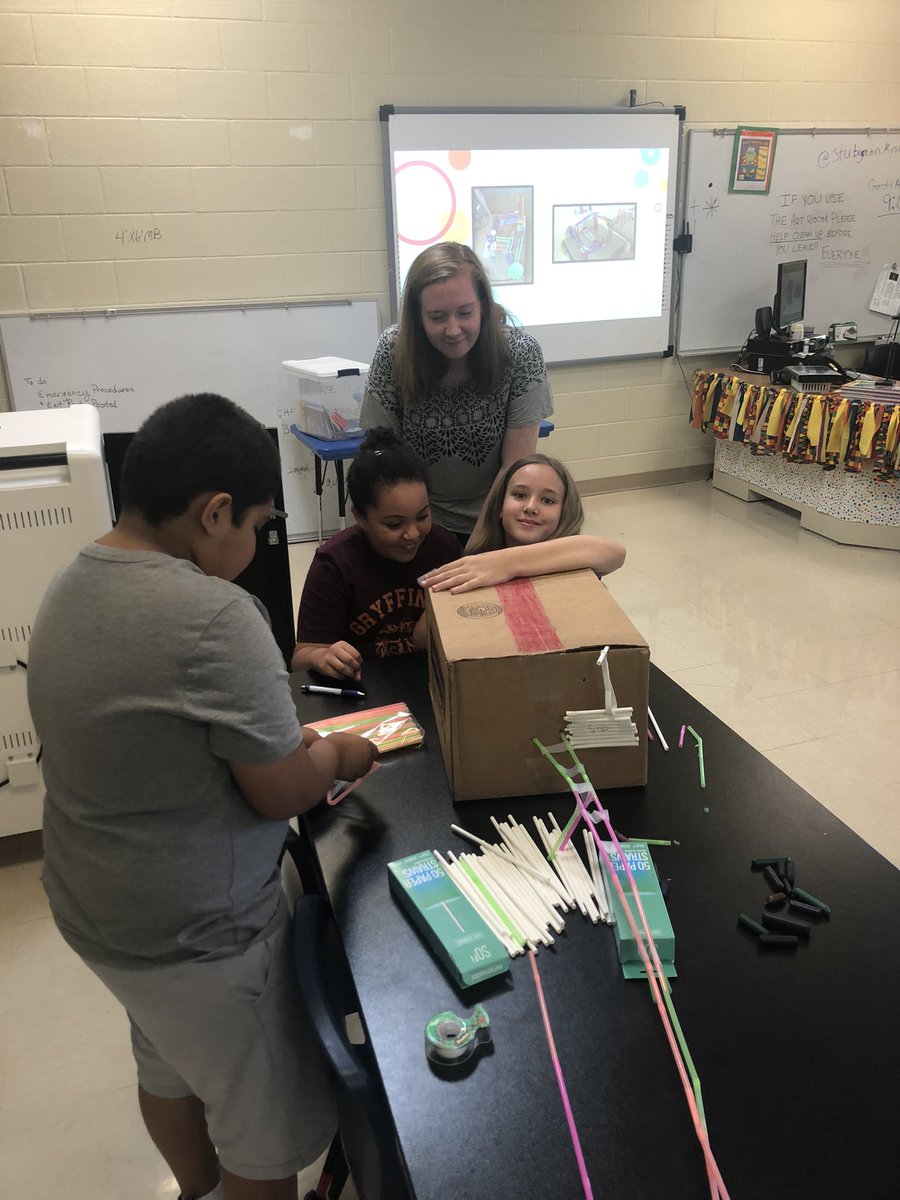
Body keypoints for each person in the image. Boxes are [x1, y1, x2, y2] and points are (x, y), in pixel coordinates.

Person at [27, 394, 377, 1200]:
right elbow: (280, 789)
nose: (256, 544)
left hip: (97, 911)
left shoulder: (71, 580)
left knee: (168, 1062)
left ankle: (194, 1190)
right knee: (262, 1126)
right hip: (201, 935)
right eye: (255, 525)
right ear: (215, 512)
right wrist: (338, 751)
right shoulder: (217, 614)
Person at [360, 241, 553, 541]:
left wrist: (479, 541)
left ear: (484, 307)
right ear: (418, 316)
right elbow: (383, 460)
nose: (453, 330)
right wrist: (415, 531)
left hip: (496, 515)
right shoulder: (393, 351)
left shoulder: (520, 353)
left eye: (465, 313)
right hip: (417, 521)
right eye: (437, 317)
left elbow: (514, 468)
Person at [292, 426, 459, 681]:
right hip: (366, 688)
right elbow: (301, 657)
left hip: (431, 682)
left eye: (423, 516)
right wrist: (322, 657)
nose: (412, 534)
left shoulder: (443, 547)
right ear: (359, 516)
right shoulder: (334, 564)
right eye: (394, 524)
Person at [421, 453, 626, 594]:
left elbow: (614, 553)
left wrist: (507, 563)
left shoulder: (575, 557)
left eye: (548, 500)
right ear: (500, 506)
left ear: (564, 512)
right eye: (520, 495)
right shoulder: (479, 563)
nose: (530, 507)